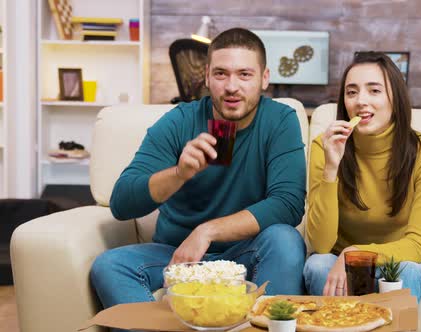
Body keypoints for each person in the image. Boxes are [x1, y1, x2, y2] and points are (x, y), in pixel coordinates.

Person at [90, 28, 308, 314]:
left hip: (247, 252)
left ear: (264, 78)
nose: (232, 86)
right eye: (221, 74)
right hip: (179, 257)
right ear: (206, 76)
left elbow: (288, 204)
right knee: (109, 266)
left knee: (285, 239)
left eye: (244, 74)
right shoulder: (179, 121)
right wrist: (179, 173)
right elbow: (121, 202)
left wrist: (207, 231)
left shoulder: (280, 120)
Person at [303, 52, 421, 302]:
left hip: (396, 261)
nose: (361, 101)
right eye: (352, 92)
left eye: (374, 91)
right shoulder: (323, 146)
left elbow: (417, 245)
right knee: (317, 265)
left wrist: (357, 252)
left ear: (395, 98)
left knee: (408, 272)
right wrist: (331, 167)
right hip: (340, 266)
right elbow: (321, 245)